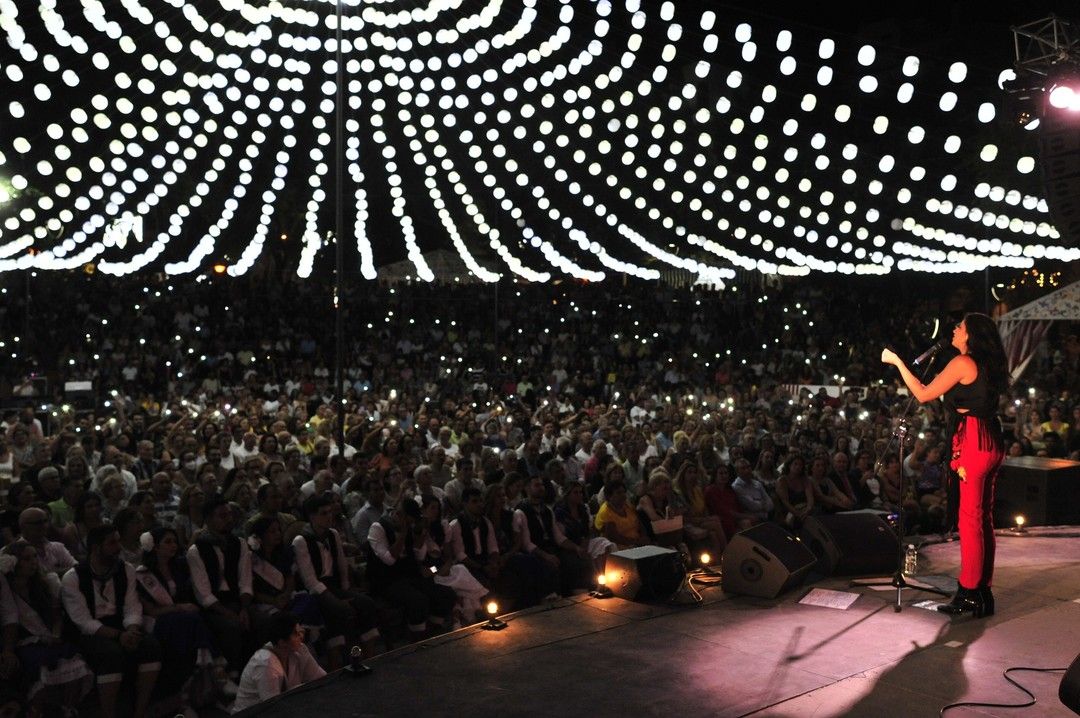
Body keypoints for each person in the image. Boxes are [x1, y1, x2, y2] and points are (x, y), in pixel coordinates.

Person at [882, 313, 1007, 617]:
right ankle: (982, 592)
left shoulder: (964, 363)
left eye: (960, 326)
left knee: (970, 520)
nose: (954, 329)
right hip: (990, 438)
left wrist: (898, 362)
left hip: (974, 443)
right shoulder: (988, 363)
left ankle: (969, 592)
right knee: (983, 519)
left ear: (970, 335)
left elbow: (923, 394)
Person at [60, 525, 161, 718]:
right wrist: (119, 636)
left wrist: (131, 629)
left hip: (121, 625)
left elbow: (132, 606)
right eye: (112, 543)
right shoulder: (73, 577)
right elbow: (83, 621)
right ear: (97, 548)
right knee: (110, 654)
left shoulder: (126, 570)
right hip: (90, 631)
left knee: (150, 646)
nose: (119, 547)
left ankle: (140, 712)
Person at [0, 541, 94, 712]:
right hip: (23, 642)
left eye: (35, 557)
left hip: (49, 637)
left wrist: (55, 634)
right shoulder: (7, 589)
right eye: (26, 559)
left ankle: (67, 708)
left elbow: (57, 615)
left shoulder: (45, 583)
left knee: (74, 663)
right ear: (14, 563)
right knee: (41, 669)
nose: (33, 562)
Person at [293, 493, 381, 664]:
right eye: (323, 513)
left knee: (366, 604)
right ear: (312, 516)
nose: (329, 517)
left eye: (330, 512)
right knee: (340, 611)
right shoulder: (301, 541)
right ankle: (341, 662)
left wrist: (346, 590)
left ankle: (370, 657)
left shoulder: (332, 534)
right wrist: (335, 600)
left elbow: (341, 565)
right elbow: (310, 580)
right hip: (315, 592)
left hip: (334, 586)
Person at [134, 526, 216, 700]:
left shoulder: (179, 566)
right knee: (188, 619)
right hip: (156, 619)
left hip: (181, 617)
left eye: (175, 542)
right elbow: (152, 610)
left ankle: (197, 675)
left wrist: (182, 608)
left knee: (191, 619)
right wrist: (179, 608)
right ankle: (209, 662)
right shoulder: (143, 574)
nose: (173, 546)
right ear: (155, 546)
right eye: (168, 542)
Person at [367, 499, 456, 641]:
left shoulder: (438, 529)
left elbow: (427, 558)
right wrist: (404, 534)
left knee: (447, 594)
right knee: (419, 600)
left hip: (425, 571)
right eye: (432, 508)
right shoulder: (379, 528)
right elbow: (390, 560)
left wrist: (422, 536)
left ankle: (434, 631)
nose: (436, 512)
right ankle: (418, 638)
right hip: (389, 579)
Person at [230, 611, 325, 714]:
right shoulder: (265, 663)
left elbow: (320, 679)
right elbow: (274, 709)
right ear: (282, 642)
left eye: (300, 631)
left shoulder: (299, 649)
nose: (301, 636)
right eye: (296, 634)